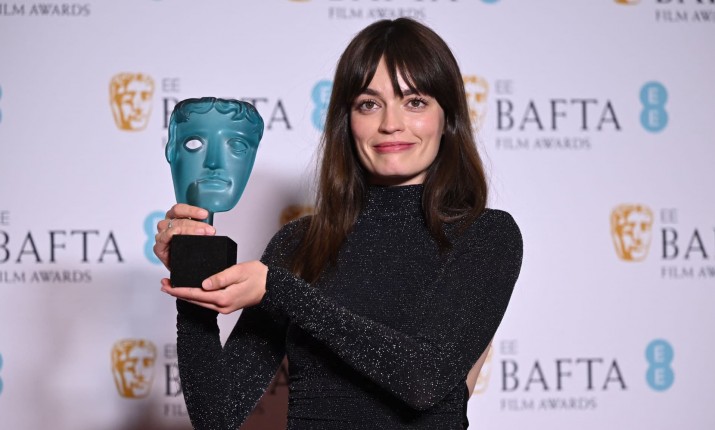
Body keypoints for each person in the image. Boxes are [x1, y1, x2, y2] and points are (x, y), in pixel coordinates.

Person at [153, 18, 522, 429]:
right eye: (369, 104)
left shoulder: (486, 235)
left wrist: (280, 289)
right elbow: (215, 414)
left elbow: (423, 379)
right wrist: (193, 275)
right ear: (347, 120)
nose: (391, 123)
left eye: (415, 102)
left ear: (447, 118)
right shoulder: (299, 244)